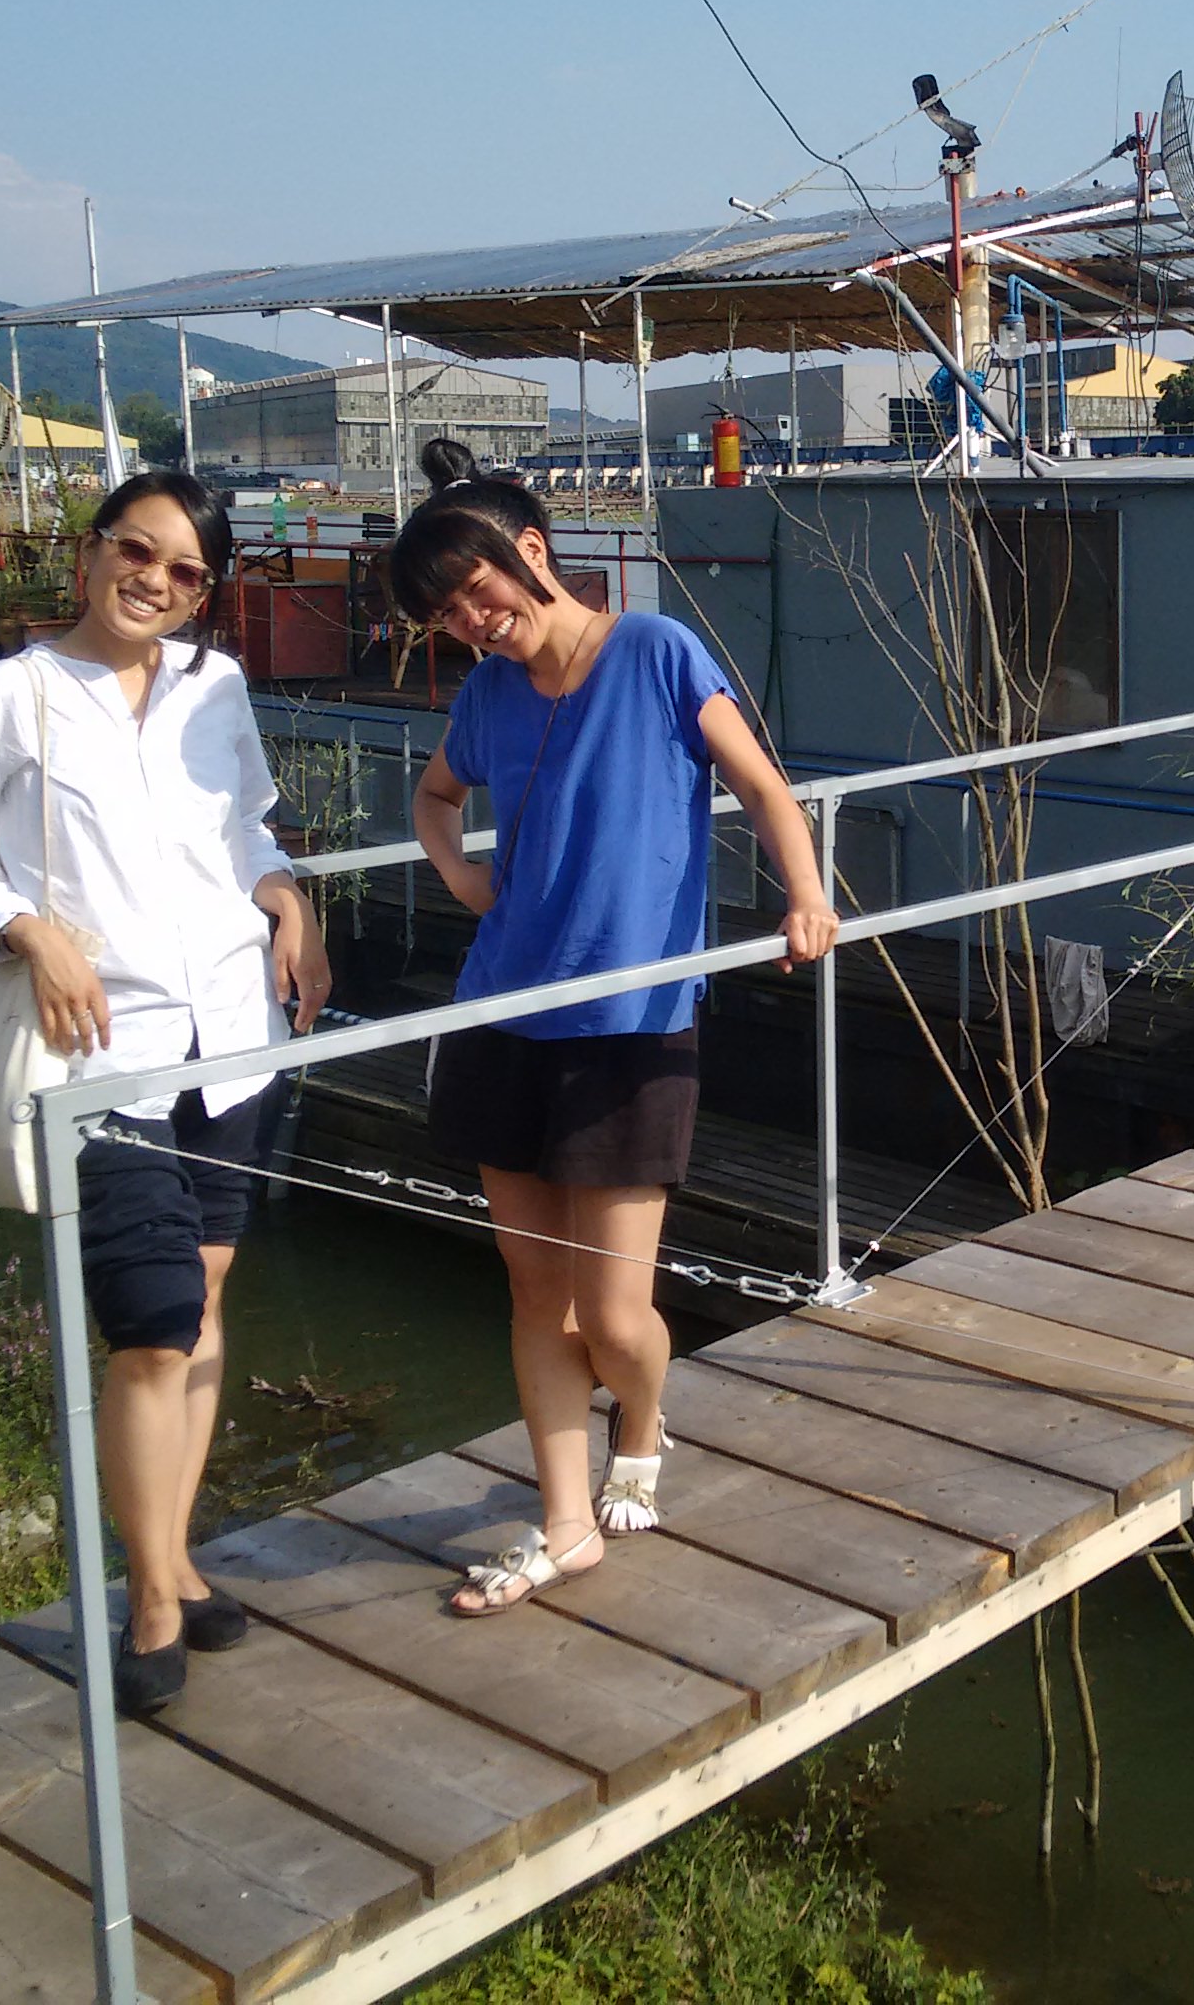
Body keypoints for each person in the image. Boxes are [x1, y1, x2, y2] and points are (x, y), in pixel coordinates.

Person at [0, 470, 331, 1711]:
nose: (155, 581)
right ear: (91, 555)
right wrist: (27, 929)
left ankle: (176, 1556)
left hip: (234, 1032)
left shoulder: (217, 688)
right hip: (100, 1051)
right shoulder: (10, 697)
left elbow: (241, 827)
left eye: (186, 570)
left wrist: (288, 894)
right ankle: (147, 1599)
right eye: (136, 552)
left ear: (207, 591)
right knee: (152, 1325)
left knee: (203, 1295)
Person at [393, 438, 834, 1612]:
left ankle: (641, 1410)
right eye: (446, 613)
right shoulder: (487, 695)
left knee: (614, 1312)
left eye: (477, 591)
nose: (470, 622)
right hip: (505, 1009)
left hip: (633, 1023)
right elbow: (434, 796)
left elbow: (760, 785)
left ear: (532, 553)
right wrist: (464, 878)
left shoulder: (652, 649)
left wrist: (804, 893)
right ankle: (564, 1521)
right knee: (535, 1296)